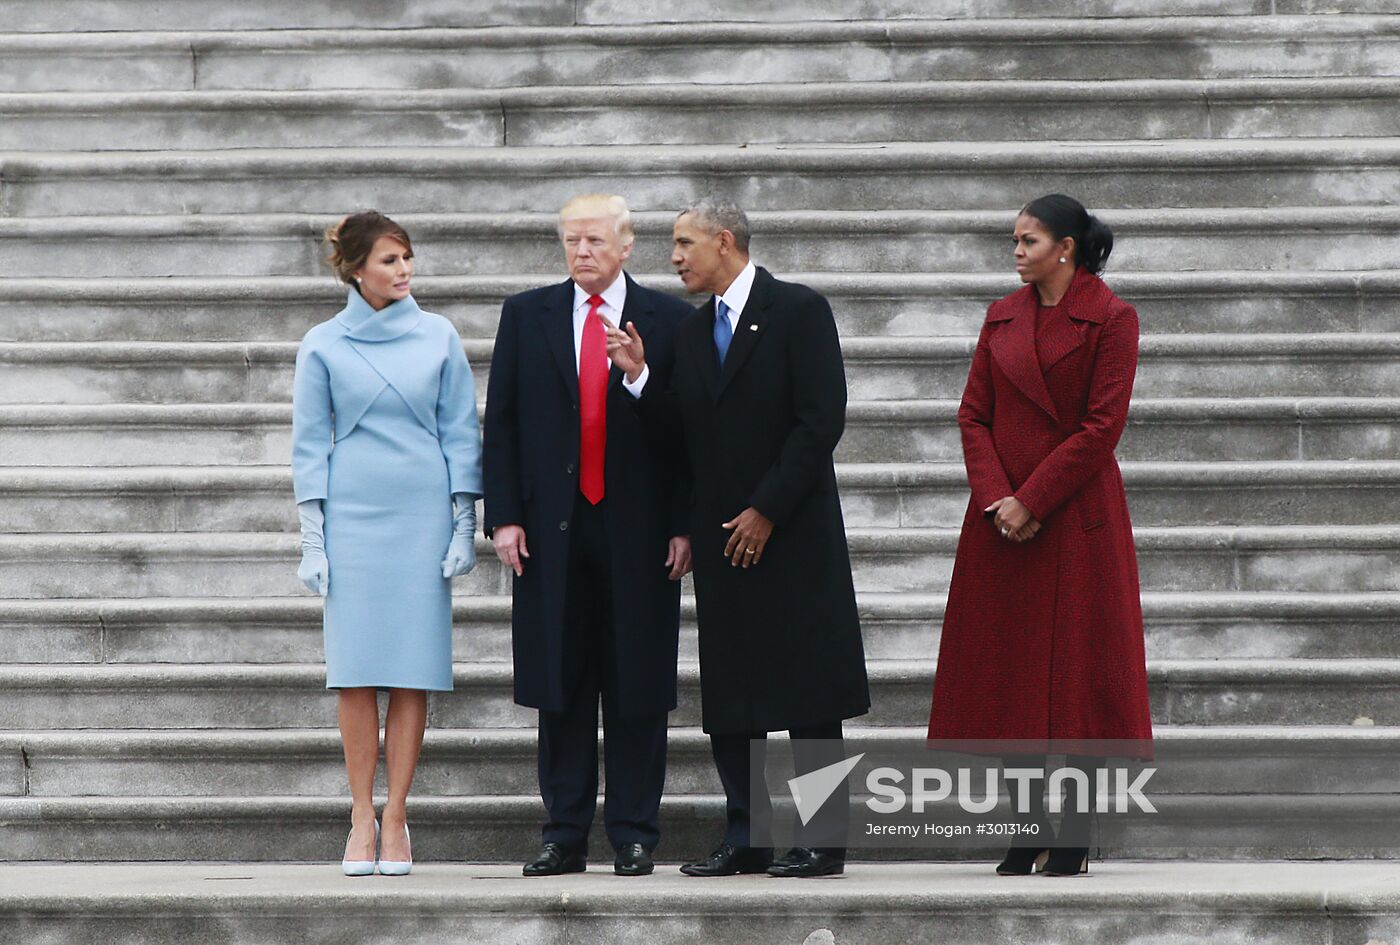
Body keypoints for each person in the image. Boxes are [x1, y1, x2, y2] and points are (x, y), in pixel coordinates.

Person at [609, 196, 870, 878]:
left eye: (684, 243)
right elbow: (685, 435)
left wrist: (767, 508)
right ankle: (748, 833)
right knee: (733, 698)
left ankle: (822, 838)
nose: (673, 258)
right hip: (724, 543)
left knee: (811, 696)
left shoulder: (800, 311)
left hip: (793, 535)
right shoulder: (692, 335)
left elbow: (821, 421)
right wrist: (639, 377)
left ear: (724, 242)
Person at [926, 194, 1153, 877]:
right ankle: (1028, 825)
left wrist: (1033, 498)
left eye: (1028, 241)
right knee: (1012, 676)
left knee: (1077, 678)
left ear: (1067, 249)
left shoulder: (1111, 318)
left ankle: (1074, 832)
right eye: (1014, 240)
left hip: (1075, 518)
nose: (1016, 251)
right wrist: (998, 496)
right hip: (1001, 522)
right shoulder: (1001, 316)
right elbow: (973, 415)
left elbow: (1100, 428)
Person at [482, 194, 693, 878]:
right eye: (571, 241)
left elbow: (690, 433)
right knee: (562, 684)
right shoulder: (527, 314)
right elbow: (504, 421)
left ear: (627, 246)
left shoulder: (669, 319)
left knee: (637, 683)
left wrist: (640, 377)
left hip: (639, 530)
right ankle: (563, 832)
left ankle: (634, 832)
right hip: (552, 530)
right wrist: (505, 515)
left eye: (595, 241)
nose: (581, 253)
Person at [292, 210, 482, 877]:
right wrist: (313, 539)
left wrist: (464, 522)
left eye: (408, 258)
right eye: (389, 260)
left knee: (411, 670)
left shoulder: (438, 336)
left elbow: (461, 431)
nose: (403, 271)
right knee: (354, 671)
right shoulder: (321, 343)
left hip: (421, 513)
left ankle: (397, 813)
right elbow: (310, 443)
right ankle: (359, 813)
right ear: (354, 269)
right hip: (353, 515)